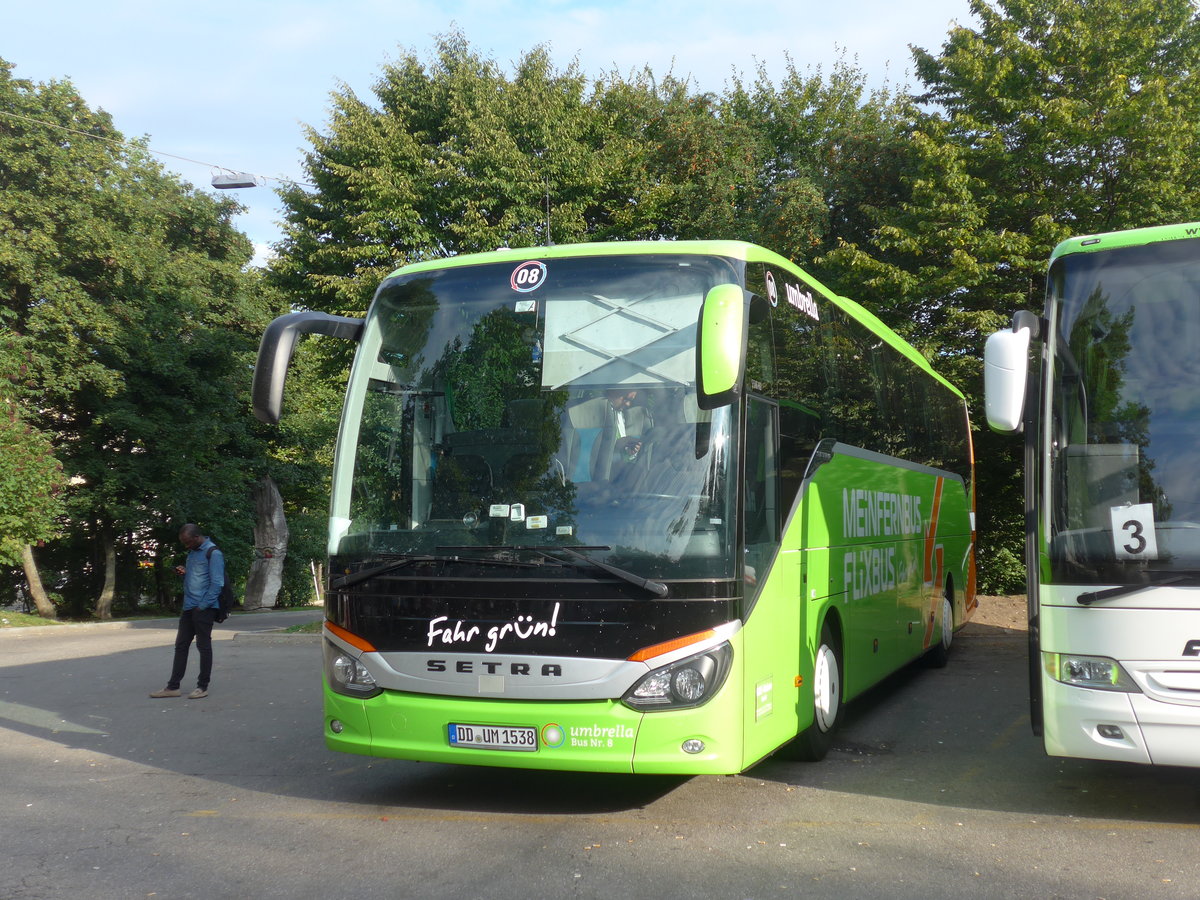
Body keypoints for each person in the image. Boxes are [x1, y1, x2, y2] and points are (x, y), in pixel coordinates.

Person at [149, 524, 224, 700]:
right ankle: (173, 687)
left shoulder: (214, 553)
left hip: (203, 608)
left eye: (188, 542)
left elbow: (217, 583)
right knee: (181, 645)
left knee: (203, 646)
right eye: (184, 543)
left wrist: (203, 606)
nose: (186, 546)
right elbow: (199, 577)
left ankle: (202, 687)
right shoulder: (193, 552)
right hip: (189, 606)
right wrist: (185, 573)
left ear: (197, 537)